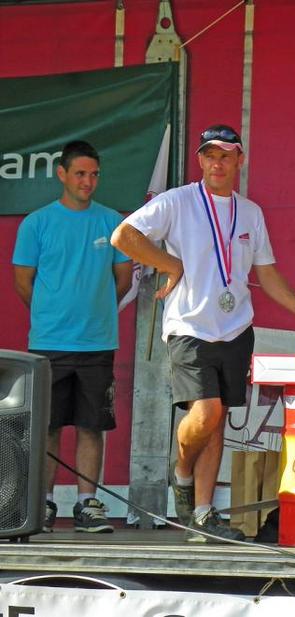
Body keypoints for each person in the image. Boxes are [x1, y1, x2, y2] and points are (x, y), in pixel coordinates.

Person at [111, 124, 295, 542]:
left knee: (217, 420)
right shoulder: (179, 201)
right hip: (189, 325)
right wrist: (171, 265)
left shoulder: (250, 212)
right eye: (209, 155)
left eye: (226, 154)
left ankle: (202, 513)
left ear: (240, 160)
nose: (217, 162)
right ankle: (180, 469)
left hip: (236, 326)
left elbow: (266, 272)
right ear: (200, 160)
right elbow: (123, 236)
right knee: (205, 413)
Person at [12, 140, 133, 533]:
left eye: (94, 174)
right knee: (47, 426)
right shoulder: (37, 223)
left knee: (91, 424)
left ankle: (87, 504)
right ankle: (42, 505)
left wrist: (93, 312)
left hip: (98, 343)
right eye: (80, 173)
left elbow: (123, 277)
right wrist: (53, 315)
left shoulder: (111, 222)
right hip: (49, 344)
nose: (88, 181)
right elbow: (22, 281)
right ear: (61, 174)